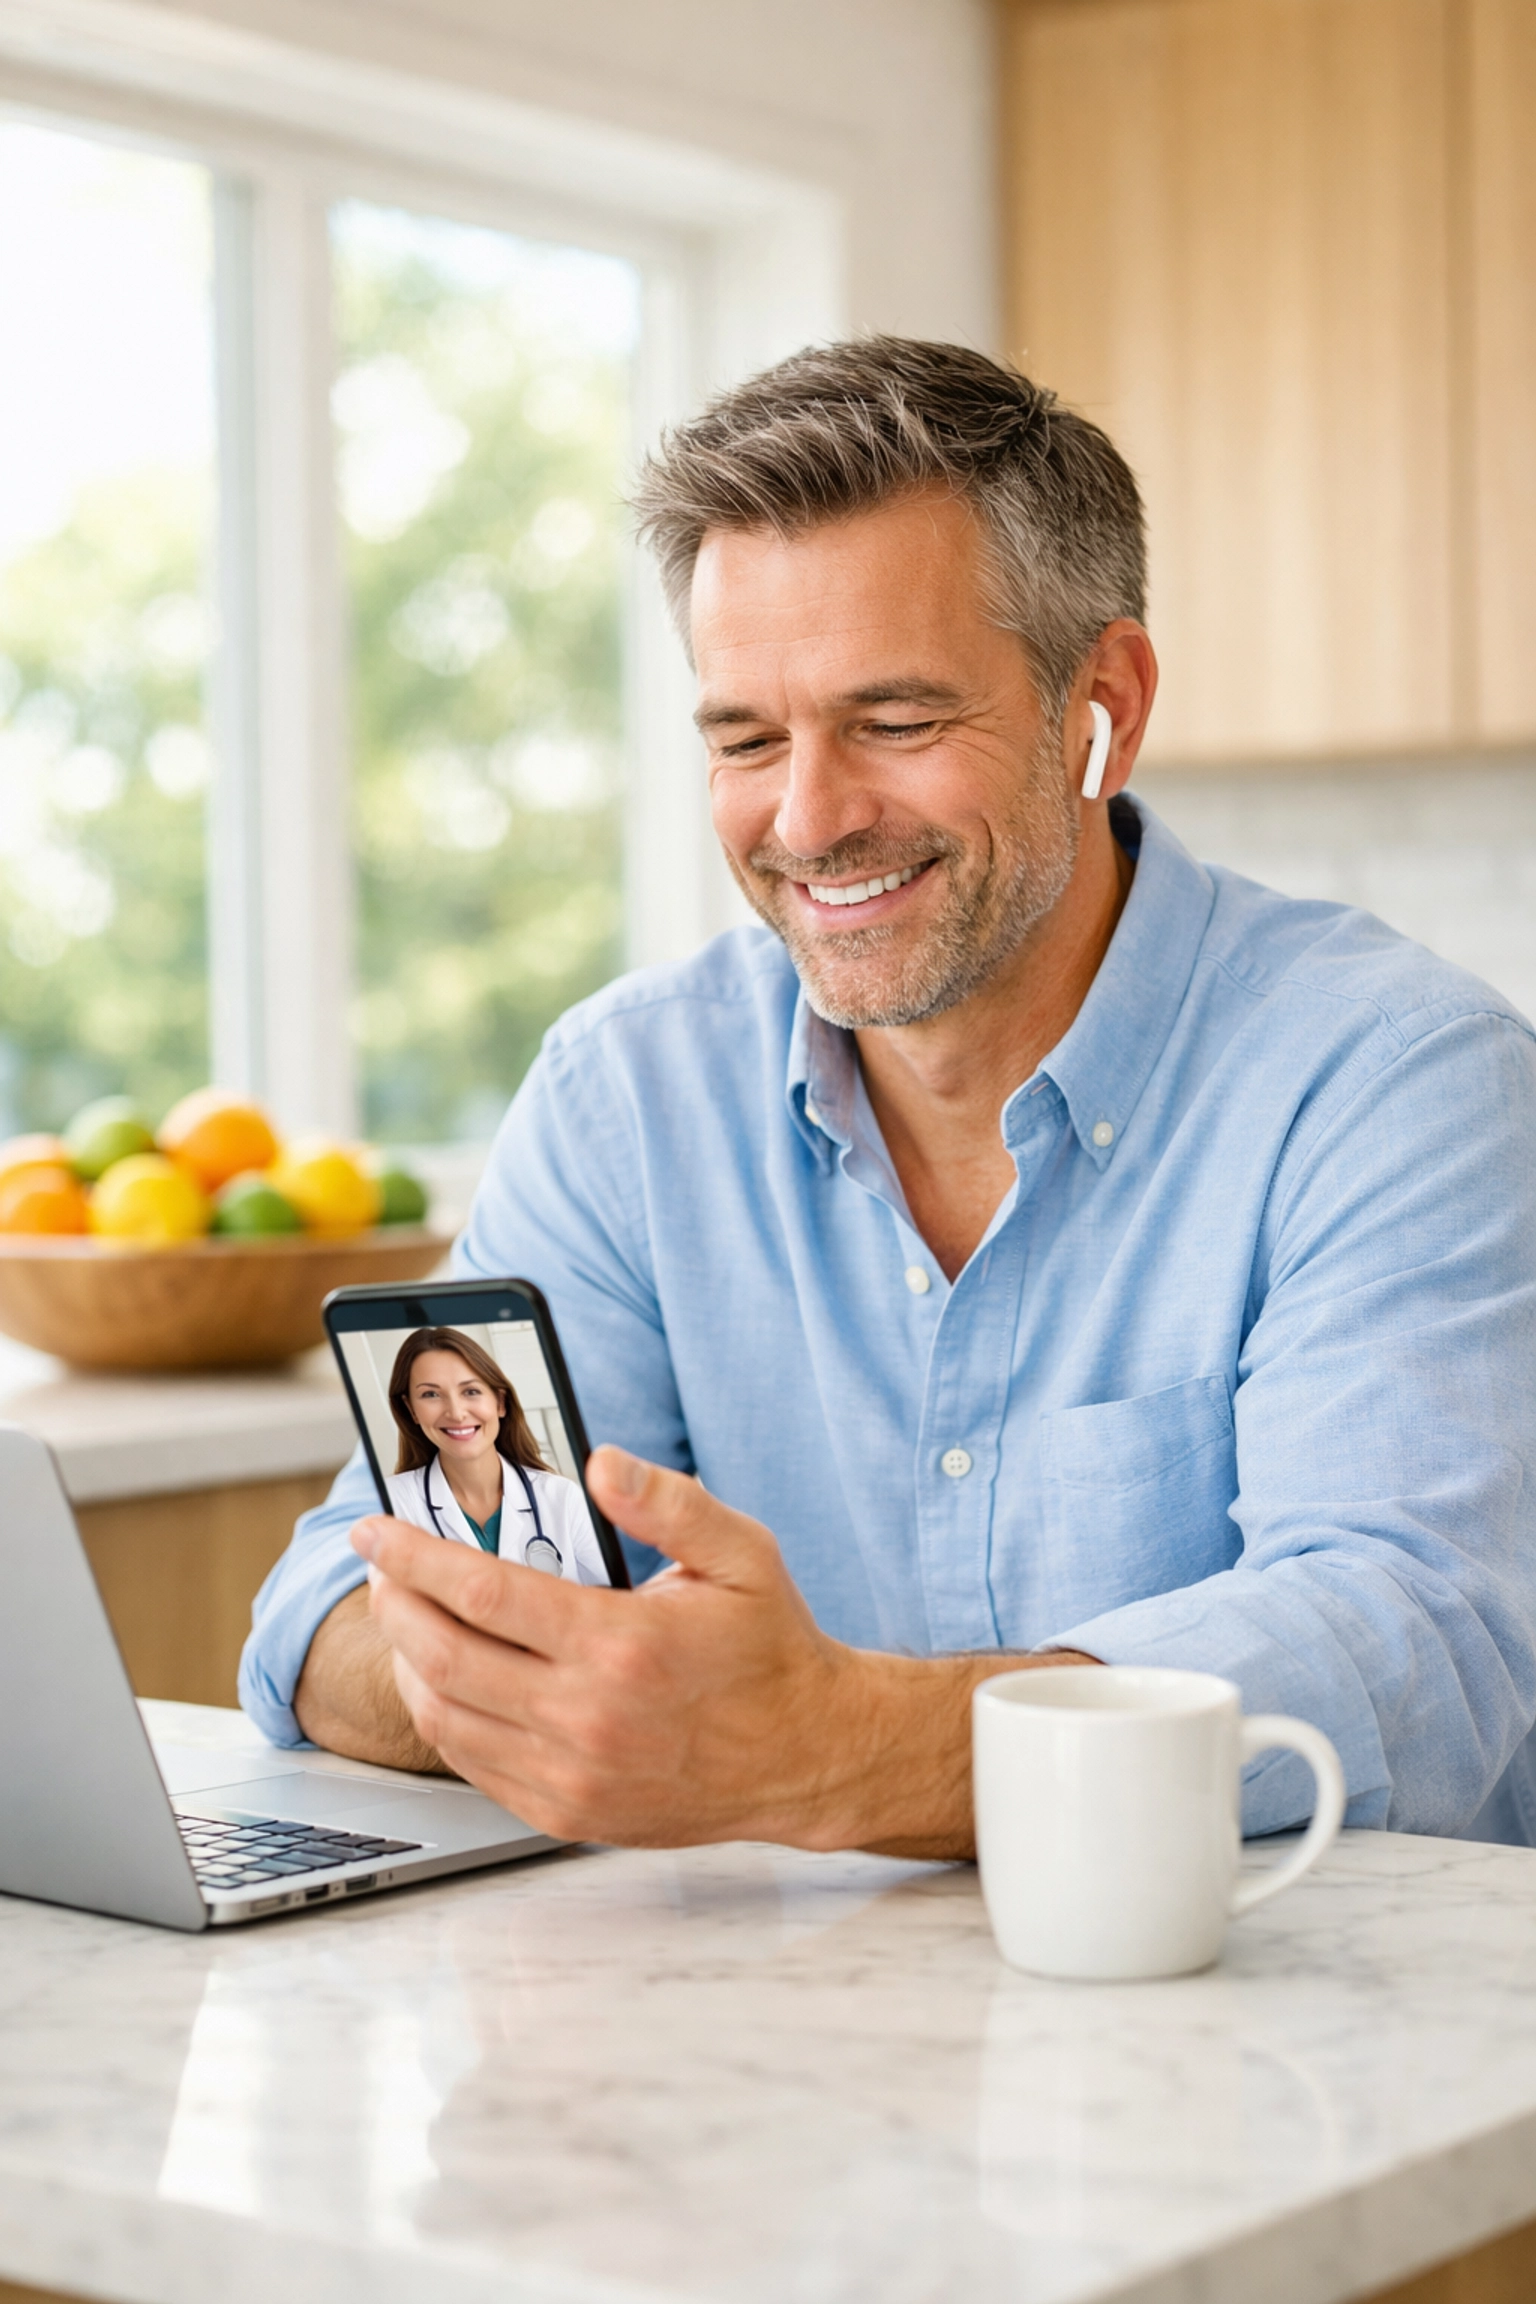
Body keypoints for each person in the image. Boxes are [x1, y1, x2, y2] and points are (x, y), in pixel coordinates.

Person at [241, 337, 1536, 1853]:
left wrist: (826, 1752)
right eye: (745, 738)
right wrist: (548, 1675)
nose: (808, 819)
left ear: (1099, 702)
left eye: (898, 723)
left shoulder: (1398, 1080)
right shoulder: (626, 1098)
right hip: (793, 2031)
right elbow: (336, 1595)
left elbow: (1416, 1642)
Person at [380, 1326, 609, 1587]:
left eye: (471, 1391)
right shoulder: (391, 1503)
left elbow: (612, 1603)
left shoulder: (563, 1498)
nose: (456, 1413)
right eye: (431, 1394)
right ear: (411, 1410)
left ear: (500, 1402)